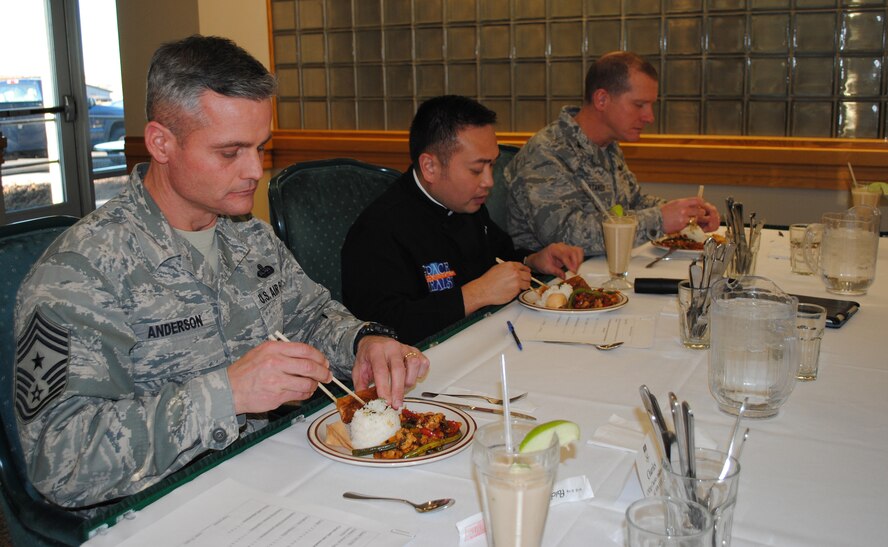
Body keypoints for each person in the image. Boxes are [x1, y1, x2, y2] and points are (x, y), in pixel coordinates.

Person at [12, 35, 428, 508]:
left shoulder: (247, 236)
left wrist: (364, 342)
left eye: (261, 148)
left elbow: (311, 317)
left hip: (273, 475)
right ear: (161, 143)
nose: (254, 170)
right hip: (161, 510)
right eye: (230, 152)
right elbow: (60, 461)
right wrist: (226, 394)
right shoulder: (80, 272)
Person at [341, 95, 583, 344]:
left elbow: (499, 254)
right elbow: (383, 327)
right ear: (430, 167)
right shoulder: (378, 229)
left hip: (484, 340)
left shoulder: (466, 205)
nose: (489, 181)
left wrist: (532, 260)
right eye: (477, 170)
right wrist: (475, 295)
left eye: (492, 166)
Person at [505, 51, 720, 255]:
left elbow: (632, 203)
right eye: (639, 105)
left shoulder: (607, 146)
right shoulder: (545, 152)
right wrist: (660, 219)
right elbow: (566, 236)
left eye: (650, 105)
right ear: (601, 100)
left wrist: (686, 214)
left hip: (603, 271)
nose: (649, 117)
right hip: (552, 284)